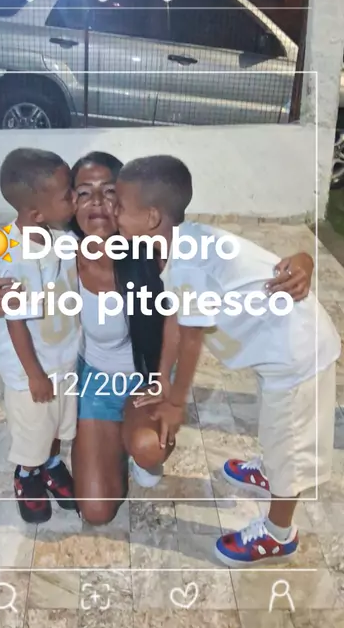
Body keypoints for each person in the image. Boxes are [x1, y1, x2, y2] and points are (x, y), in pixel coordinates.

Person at [0, 150, 316, 529]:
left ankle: (138, 446)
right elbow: (3, 317)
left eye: (109, 192)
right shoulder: (57, 252)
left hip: (145, 377)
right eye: (84, 192)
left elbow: (228, 257)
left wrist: (302, 260)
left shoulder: (152, 249)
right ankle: (104, 441)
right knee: (96, 510)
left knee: (146, 447)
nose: (97, 203)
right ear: (70, 202)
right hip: (94, 383)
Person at [114, 154, 340, 566]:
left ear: (151, 217)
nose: (114, 213)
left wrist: (175, 402)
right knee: (276, 427)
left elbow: (191, 339)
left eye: (120, 206)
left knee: (291, 448)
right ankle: (269, 470)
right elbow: (175, 315)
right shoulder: (179, 244)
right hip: (277, 349)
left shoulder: (189, 263)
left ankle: (279, 534)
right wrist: (162, 378)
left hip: (297, 354)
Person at [0, 147, 79, 524]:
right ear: (37, 213)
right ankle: (27, 474)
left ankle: (52, 463)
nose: (75, 199)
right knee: (33, 429)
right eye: (67, 195)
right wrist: (34, 374)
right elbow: (14, 322)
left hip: (61, 358)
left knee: (57, 423)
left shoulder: (56, 234)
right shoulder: (18, 257)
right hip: (32, 371)